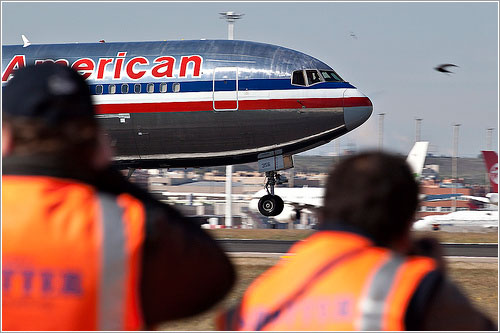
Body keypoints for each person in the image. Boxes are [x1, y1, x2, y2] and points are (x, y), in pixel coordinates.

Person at [2, 63, 235, 331]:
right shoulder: (124, 225)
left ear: (5, 138)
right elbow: (213, 278)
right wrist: (109, 175)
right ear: (96, 145)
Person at [216, 152, 496, 331]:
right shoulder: (414, 285)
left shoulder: (259, 295)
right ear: (406, 221)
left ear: (326, 210)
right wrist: (436, 276)